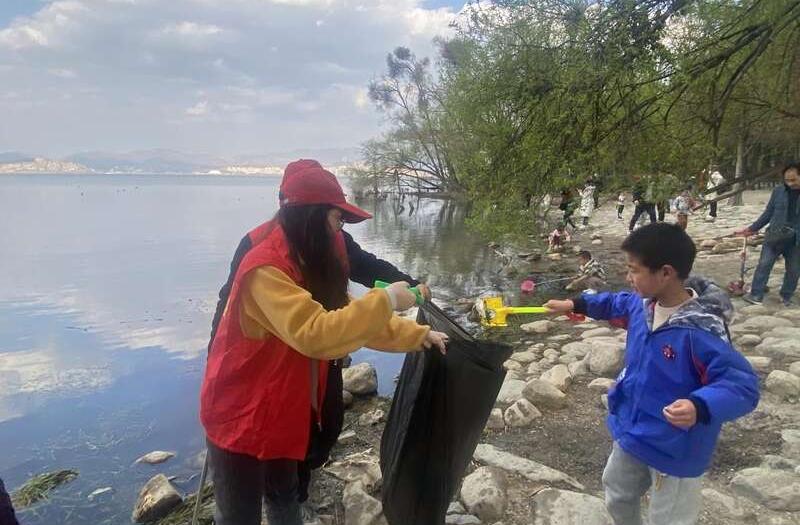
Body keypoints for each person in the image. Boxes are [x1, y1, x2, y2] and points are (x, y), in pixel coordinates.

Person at [200, 160, 449, 525]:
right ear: (310, 217)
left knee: (285, 496)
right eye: (337, 218)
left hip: (281, 405)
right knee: (238, 515)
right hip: (241, 408)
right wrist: (387, 299)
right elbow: (318, 334)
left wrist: (418, 335)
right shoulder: (265, 268)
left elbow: (347, 320)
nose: (340, 229)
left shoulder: (313, 258)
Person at [545, 223, 759, 525]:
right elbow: (614, 303)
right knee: (617, 491)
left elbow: (741, 386)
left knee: (668, 518)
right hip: (633, 430)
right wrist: (575, 303)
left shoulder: (701, 331)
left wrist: (699, 406)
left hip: (676, 447)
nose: (628, 277)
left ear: (666, 273)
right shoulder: (642, 305)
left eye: (634, 270)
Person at [736, 162, 800, 307]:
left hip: (796, 240)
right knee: (764, 265)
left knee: (794, 270)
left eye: (793, 180)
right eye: (787, 180)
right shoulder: (778, 191)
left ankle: (786, 296)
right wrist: (752, 229)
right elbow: (768, 213)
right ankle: (756, 294)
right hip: (774, 236)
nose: (790, 183)